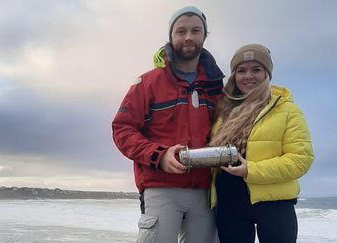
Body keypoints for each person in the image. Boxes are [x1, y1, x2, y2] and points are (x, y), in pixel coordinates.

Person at [112, 6, 224, 243]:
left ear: (205, 35)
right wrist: (159, 156)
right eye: (181, 31)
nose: (189, 37)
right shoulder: (148, 83)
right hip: (161, 187)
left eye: (196, 30)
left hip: (205, 192)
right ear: (171, 37)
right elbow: (122, 129)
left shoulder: (216, 87)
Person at [208, 43, 314, 243]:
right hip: (229, 202)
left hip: (274, 205)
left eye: (256, 69)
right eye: (241, 70)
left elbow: (301, 159)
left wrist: (251, 170)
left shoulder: (288, 110)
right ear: (234, 76)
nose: (248, 76)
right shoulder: (223, 112)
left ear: (267, 74)